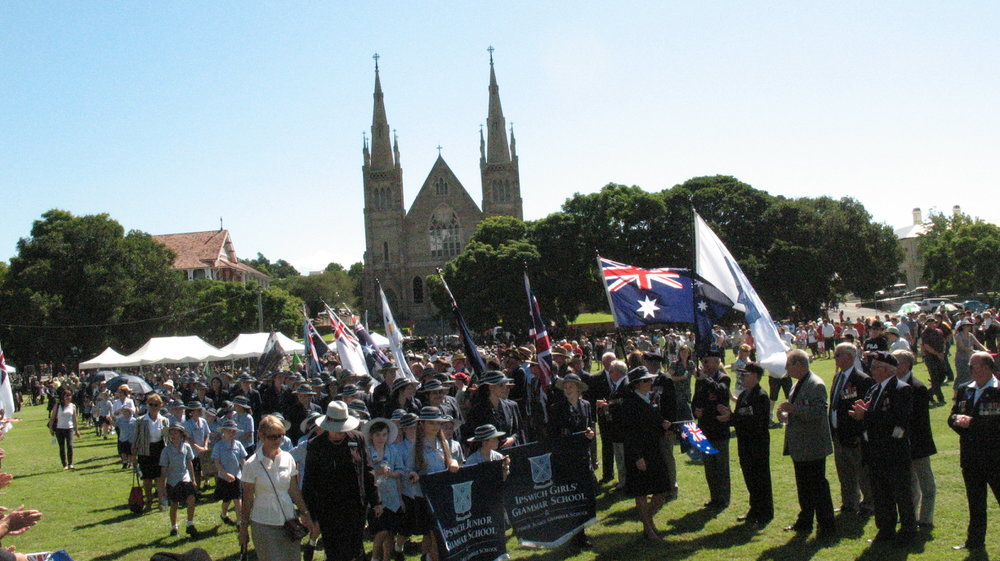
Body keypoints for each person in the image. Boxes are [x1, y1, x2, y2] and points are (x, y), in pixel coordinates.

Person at [848, 351, 915, 545]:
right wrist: (861, 413)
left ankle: (908, 530)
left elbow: (898, 418)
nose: (871, 370)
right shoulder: (873, 390)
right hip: (874, 451)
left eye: (876, 367)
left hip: (893, 451)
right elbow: (872, 415)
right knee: (881, 493)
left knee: (901, 493)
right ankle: (885, 529)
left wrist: (866, 415)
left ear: (888, 370)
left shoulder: (901, 389)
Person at [301, 401, 380, 561]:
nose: (338, 433)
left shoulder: (357, 439)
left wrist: (376, 500)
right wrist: (310, 513)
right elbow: (309, 481)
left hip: (355, 506)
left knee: (356, 551)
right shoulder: (316, 445)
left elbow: (368, 470)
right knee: (336, 553)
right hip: (328, 509)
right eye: (335, 430)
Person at [777, 349, 835, 540]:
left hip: (813, 445)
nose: (786, 368)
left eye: (789, 364)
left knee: (818, 486)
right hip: (800, 445)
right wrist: (784, 414)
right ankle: (805, 520)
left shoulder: (816, 384)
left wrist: (794, 409)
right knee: (803, 485)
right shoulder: (796, 385)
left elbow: (818, 412)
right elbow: (796, 410)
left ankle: (826, 524)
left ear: (799, 365)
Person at [240, 414, 313, 561]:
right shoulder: (251, 464)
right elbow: (247, 499)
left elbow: (294, 491)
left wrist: (306, 513)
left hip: (288, 521)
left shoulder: (288, 458)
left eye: (281, 436)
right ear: (261, 436)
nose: (278, 441)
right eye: (273, 437)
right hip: (263, 523)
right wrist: (243, 529)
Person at [947, 351, 1000, 551]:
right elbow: (953, 416)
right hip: (970, 457)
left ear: (987, 368)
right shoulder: (965, 389)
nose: (969, 369)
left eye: (973, 366)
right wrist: (957, 421)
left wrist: (973, 424)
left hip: (995, 457)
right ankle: (975, 541)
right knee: (975, 502)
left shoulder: (997, 389)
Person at [620, 366, 670, 541]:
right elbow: (629, 433)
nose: (650, 383)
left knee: (662, 490)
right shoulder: (629, 404)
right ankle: (648, 528)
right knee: (641, 492)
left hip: (654, 450)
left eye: (650, 380)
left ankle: (647, 520)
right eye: (646, 380)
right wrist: (637, 457)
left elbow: (653, 424)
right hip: (639, 454)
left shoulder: (651, 399)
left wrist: (662, 425)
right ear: (636, 385)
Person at [720, 363, 773, 525]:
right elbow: (739, 418)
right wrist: (729, 417)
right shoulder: (743, 395)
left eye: (746, 374)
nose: (742, 377)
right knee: (750, 477)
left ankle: (765, 512)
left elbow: (758, 423)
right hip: (745, 444)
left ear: (756, 377)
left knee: (761, 479)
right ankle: (754, 508)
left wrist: (732, 418)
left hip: (757, 445)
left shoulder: (761, 396)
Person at [406, 407, 460, 561]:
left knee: (436, 536)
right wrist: (413, 475)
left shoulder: (444, 444)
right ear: (422, 424)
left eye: (438, 423)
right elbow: (408, 470)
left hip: (441, 496)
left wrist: (454, 462)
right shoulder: (415, 447)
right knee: (432, 535)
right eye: (431, 423)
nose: (435, 426)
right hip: (424, 498)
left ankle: (428, 558)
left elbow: (450, 461)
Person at [828, 343, 874, 515]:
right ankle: (849, 502)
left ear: (849, 357)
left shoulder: (862, 379)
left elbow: (864, 409)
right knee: (844, 472)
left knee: (862, 472)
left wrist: (859, 433)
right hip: (838, 433)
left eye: (838, 354)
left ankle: (869, 502)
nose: (835, 358)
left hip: (854, 435)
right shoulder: (837, 377)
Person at [893, 350, 936, 531]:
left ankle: (925, 520)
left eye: (895, 362)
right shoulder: (893, 385)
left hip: (917, 444)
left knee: (926, 485)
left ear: (906, 365)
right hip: (900, 445)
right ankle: (909, 518)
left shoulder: (917, 387)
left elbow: (919, 421)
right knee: (909, 485)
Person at [691, 349, 731, 509]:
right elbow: (695, 400)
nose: (703, 365)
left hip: (718, 428)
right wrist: (696, 410)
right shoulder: (701, 380)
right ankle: (714, 497)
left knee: (721, 467)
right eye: (703, 362)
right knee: (709, 467)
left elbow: (721, 392)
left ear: (716, 362)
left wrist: (705, 379)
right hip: (704, 428)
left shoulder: (723, 378)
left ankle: (723, 498)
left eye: (706, 362)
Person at [362, 417, 403, 561]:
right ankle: (374, 557)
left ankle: (386, 558)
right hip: (375, 497)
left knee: (390, 531)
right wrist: (376, 471)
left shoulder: (393, 450)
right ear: (371, 436)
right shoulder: (366, 451)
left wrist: (391, 473)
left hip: (392, 496)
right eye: (378, 435)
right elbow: (363, 473)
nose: (381, 438)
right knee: (381, 530)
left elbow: (400, 472)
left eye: (384, 434)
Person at [131, 393, 172, 510]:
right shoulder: (140, 420)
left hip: (160, 450)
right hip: (145, 452)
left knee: (161, 478)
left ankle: (161, 502)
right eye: (151, 404)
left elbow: (167, 439)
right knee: (147, 479)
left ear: (160, 406)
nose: (153, 407)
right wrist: (134, 458)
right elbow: (135, 440)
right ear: (147, 405)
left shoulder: (165, 421)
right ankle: (148, 501)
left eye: (156, 405)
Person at [159, 422, 200, 537]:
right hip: (173, 480)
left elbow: (189, 463)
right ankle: (174, 528)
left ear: (181, 434)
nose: (173, 435)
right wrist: (163, 486)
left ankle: (190, 525)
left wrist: (193, 479)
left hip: (185, 477)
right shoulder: (166, 450)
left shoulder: (186, 446)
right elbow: (164, 469)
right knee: (174, 504)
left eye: (175, 432)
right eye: (171, 433)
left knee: (191, 499)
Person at [466, 371, 523, 447]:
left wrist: (512, 439)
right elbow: (471, 436)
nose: (506, 388)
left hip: (512, 451)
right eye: (501, 385)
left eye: (506, 384)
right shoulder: (477, 411)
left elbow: (519, 430)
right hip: (490, 455)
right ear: (491, 387)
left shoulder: (512, 406)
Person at [212, 418, 247, 527]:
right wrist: (225, 474)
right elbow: (217, 463)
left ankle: (239, 522)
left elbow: (243, 460)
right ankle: (224, 514)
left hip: (237, 476)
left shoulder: (238, 444)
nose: (232, 433)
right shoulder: (218, 445)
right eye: (229, 431)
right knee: (226, 501)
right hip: (224, 478)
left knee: (238, 499)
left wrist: (246, 471)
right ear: (223, 432)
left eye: (233, 431)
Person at [953, 320, 987, 399]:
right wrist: (974, 351)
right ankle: (955, 394)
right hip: (960, 359)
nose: (968, 327)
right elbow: (962, 348)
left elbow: (978, 344)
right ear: (963, 327)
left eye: (969, 325)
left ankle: (967, 392)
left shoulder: (970, 335)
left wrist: (986, 350)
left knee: (970, 376)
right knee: (960, 376)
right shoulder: (959, 336)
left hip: (969, 359)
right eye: (967, 325)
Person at [48, 388, 80, 470]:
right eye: (67, 396)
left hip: (69, 428)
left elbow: (75, 418)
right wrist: (51, 428)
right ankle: (64, 464)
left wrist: (76, 430)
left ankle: (70, 463)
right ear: (63, 397)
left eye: (70, 395)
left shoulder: (73, 406)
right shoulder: (58, 405)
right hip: (59, 428)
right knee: (61, 447)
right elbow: (52, 417)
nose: (68, 397)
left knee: (70, 445)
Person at [183, 402, 211, 488]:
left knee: (207, 469)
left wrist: (205, 445)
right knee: (196, 471)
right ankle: (196, 489)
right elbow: (188, 439)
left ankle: (207, 485)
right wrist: (198, 447)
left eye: (200, 409)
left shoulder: (203, 421)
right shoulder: (187, 424)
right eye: (198, 410)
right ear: (192, 412)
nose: (200, 411)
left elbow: (207, 434)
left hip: (203, 450)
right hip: (193, 452)